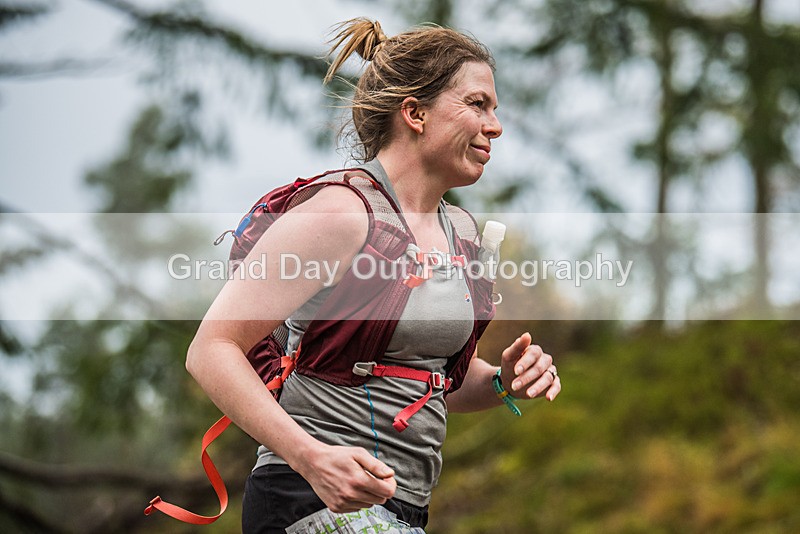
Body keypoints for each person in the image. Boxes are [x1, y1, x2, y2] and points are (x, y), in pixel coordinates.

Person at [185, 18, 561, 532]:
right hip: (308, 498)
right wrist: (310, 457)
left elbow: (431, 377)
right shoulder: (340, 213)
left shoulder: (463, 232)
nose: (496, 125)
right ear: (415, 113)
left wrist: (501, 382)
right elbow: (210, 349)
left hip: (405, 507)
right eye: (478, 104)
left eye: (494, 109)